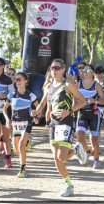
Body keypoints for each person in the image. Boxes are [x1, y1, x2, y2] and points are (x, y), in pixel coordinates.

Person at [31, 58, 87, 197]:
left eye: (57, 68)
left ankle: (76, 150)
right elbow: (43, 104)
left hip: (66, 121)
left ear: (63, 69)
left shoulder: (68, 84)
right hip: (54, 124)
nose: (54, 70)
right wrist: (36, 111)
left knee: (62, 156)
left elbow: (83, 101)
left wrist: (70, 111)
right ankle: (69, 185)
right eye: (52, 68)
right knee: (56, 158)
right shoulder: (49, 86)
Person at [3, 72, 39, 178]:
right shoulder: (11, 95)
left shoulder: (31, 96)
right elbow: (4, 109)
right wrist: (7, 119)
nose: (17, 81)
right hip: (15, 123)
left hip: (27, 123)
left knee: (21, 145)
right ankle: (28, 139)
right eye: (16, 79)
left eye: (20, 79)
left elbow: (39, 108)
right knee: (17, 151)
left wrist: (36, 116)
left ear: (25, 81)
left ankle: (23, 170)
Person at [75, 64, 104, 169]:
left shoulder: (96, 85)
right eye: (84, 70)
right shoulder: (78, 84)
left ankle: (96, 160)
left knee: (94, 139)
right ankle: (88, 151)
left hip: (94, 115)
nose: (86, 72)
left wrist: (95, 101)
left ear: (93, 73)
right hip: (82, 113)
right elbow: (74, 99)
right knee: (79, 137)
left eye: (88, 70)